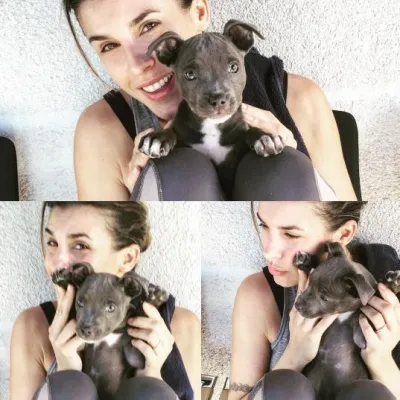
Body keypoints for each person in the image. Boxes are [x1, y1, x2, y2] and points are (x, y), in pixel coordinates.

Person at [66, 0, 357, 201]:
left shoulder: (299, 99)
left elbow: (338, 232)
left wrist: (298, 171)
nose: (137, 65)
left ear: (199, 12)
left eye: (149, 26)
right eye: (109, 45)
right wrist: (144, 205)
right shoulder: (101, 133)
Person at [9, 202, 200, 400]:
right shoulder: (34, 327)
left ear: (127, 258)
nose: (56, 263)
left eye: (80, 246)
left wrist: (152, 377)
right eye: (52, 243)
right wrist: (66, 375)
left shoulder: (181, 326)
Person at [229, 202, 400, 399]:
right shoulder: (258, 294)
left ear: (344, 233)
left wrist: (381, 360)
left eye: (291, 234)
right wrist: (293, 357)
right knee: (286, 388)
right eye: (264, 226)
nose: (268, 252)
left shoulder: (388, 295)